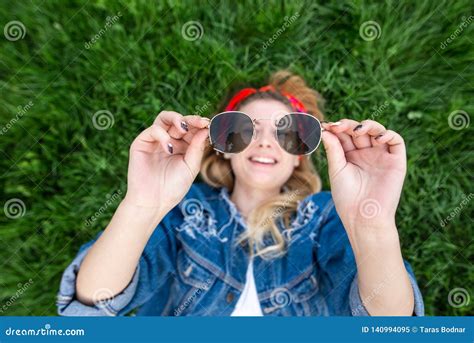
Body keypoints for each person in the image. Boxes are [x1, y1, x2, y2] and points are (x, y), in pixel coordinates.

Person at [57, 70, 424, 316]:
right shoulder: (187, 210)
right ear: (224, 146)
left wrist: (372, 227)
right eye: (244, 129)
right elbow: (91, 309)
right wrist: (141, 205)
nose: (265, 142)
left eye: (285, 132)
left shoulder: (325, 216)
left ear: (298, 156)